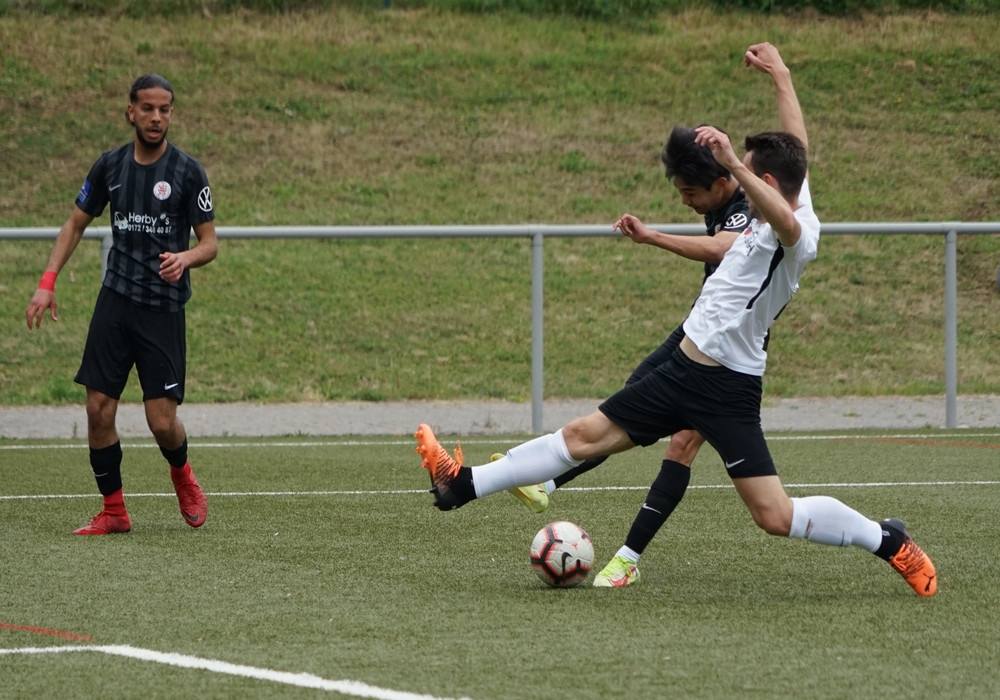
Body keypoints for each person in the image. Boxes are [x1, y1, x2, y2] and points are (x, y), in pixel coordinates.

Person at [414, 43, 937, 597]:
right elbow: (796, 148)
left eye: (749, 176)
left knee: (774, 516)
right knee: (582, 436)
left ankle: (887, 540)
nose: (739, 186)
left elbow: (784, 218)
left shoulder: (797, 232)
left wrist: (734, 163)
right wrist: (781, 76)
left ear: (766, 182)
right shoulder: (785, 192)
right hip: (682, 369)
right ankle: (460, 485)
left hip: (728, 388)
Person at [503, 124, 751, 588]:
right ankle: (545, 483)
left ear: (721, 183)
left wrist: (651, 236)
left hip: (729, 356)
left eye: (690, 193)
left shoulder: (748, 208)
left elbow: (722, 249)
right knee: (625, 407)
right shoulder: (720, 197)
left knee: (681, 444)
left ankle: (627, 559)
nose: (685, 202)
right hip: (696, 331)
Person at [25, 74, 218, 535]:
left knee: (161, 422)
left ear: (172, 114)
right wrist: (47, 281)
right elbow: (75, 224)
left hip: (162, 308)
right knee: (97, 409)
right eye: (147, 108)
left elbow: (209, 243)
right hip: (115, 302)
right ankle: (114, 511)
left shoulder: (188, 172)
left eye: (164, 109)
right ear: (131, 112)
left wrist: (185, 258)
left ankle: (182, 474)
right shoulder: (109, 166)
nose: (156, 117)